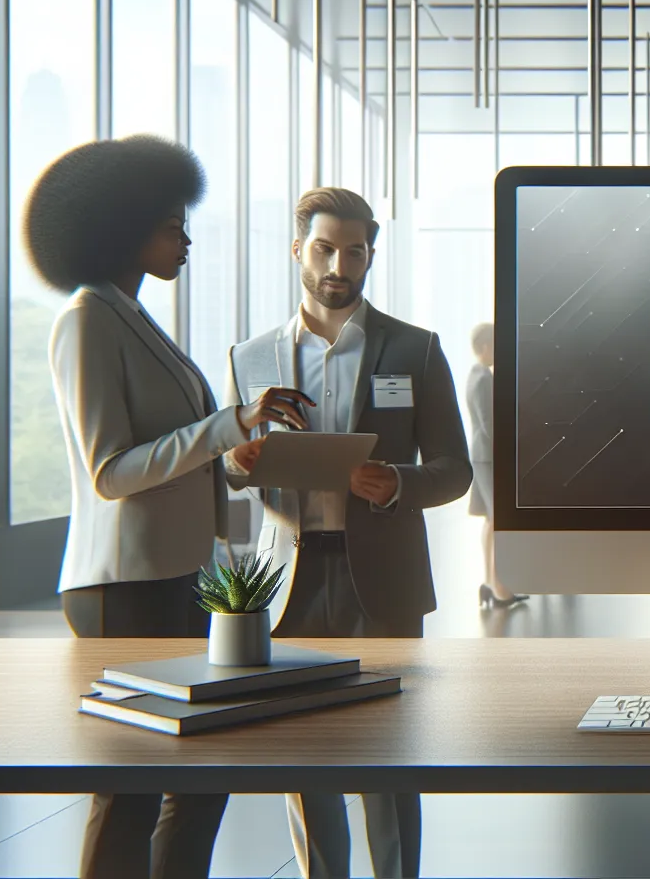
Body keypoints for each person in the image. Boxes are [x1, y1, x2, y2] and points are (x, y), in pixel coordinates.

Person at [31, 136, 311, 879]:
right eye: (170, 225)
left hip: (179, 577)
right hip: (124, 588)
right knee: (130, 788)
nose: (186, 239)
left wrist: (232, 455)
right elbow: (111, 473)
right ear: (120, 228)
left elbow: (175, 450)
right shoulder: (88, 320)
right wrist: (231, 424)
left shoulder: (133, 316)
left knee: (200, 777)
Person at [225, 187, 472, 879]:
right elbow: (231, 471)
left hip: (382, 580)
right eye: (326, 248)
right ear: (298, 249)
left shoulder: (416, 350)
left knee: (389, 754)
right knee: (303, 759)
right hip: (289, 583)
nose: (340, 264)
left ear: (370, 255)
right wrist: (236, 464)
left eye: (355, 251)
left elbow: (456, 470)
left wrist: (397, 483)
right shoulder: (249, 357)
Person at [466, 321, 526, 608]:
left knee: (492, 520)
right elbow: (491, 425)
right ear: (487, 347)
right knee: (500, 521)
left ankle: (492, 584)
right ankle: (500, 588)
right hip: (490, 457)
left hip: (483, 456)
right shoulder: (483, 379)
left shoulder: (476, 375)